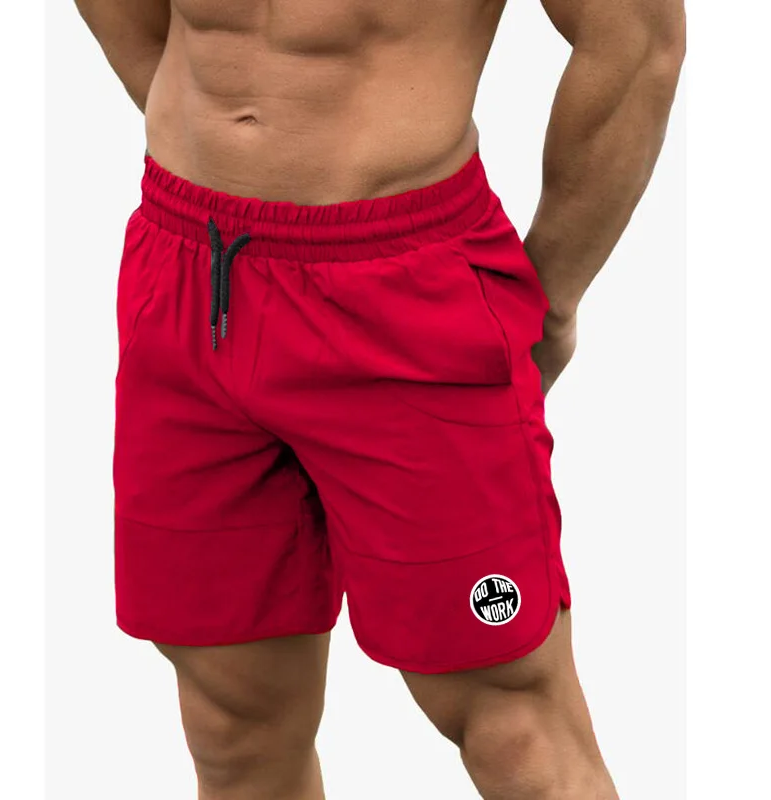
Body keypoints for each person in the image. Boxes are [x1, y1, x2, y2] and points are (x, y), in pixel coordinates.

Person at [75, 1, 684, 797]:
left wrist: (555, 297)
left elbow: (636, 40)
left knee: (515, 731)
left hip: (404, 285)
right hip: (190, 270)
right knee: (232, 728)